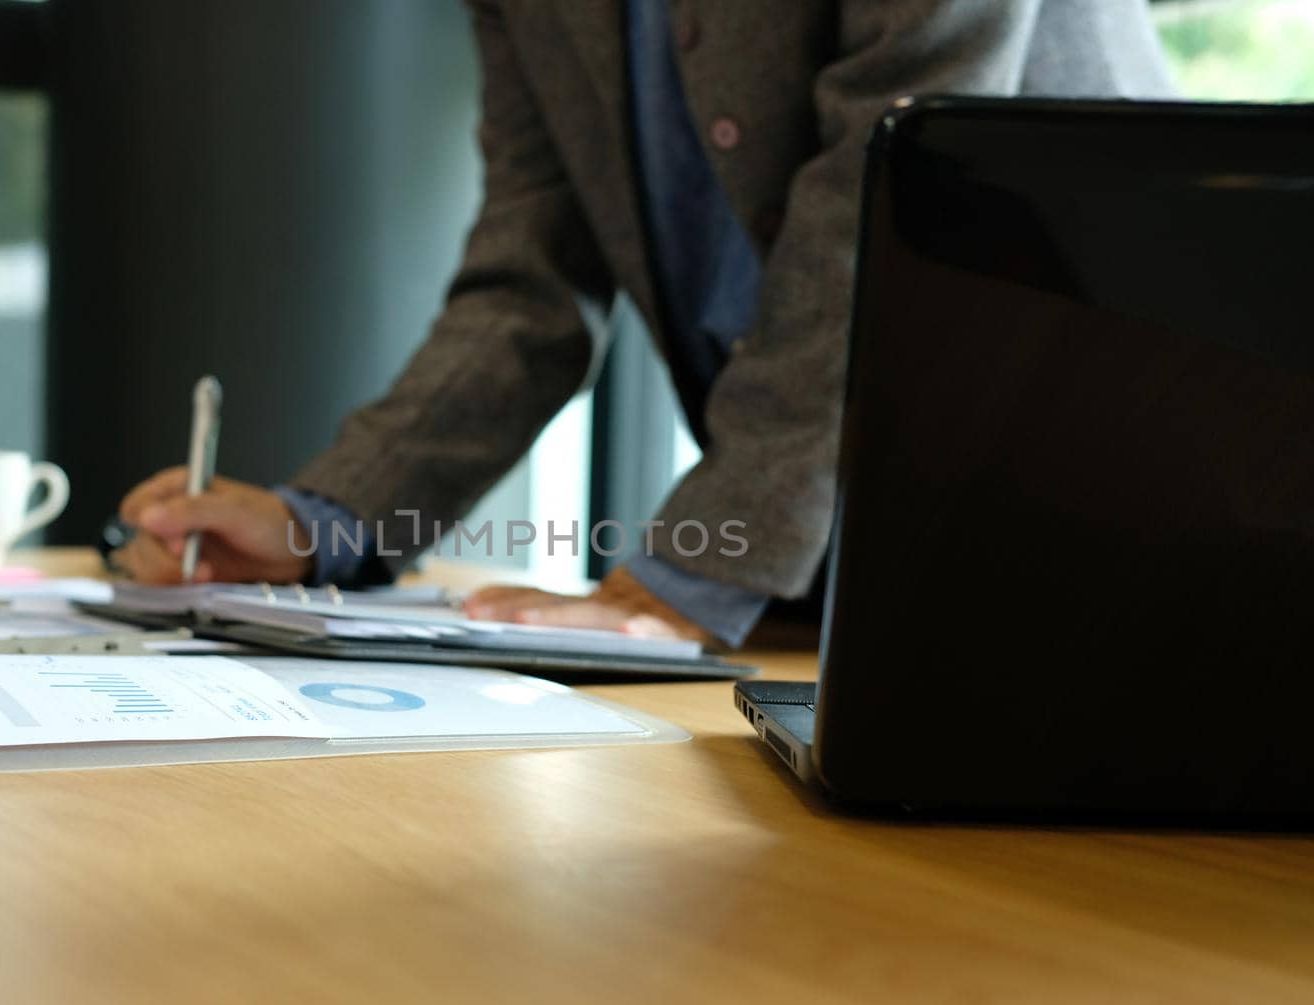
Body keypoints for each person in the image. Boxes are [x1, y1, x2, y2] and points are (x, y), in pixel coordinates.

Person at [116, 0, 1175, 648]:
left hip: (1133, 522)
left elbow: (888, 205)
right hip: (857, 586)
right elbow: (529, 271)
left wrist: (680, 581)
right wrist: (328, 524)